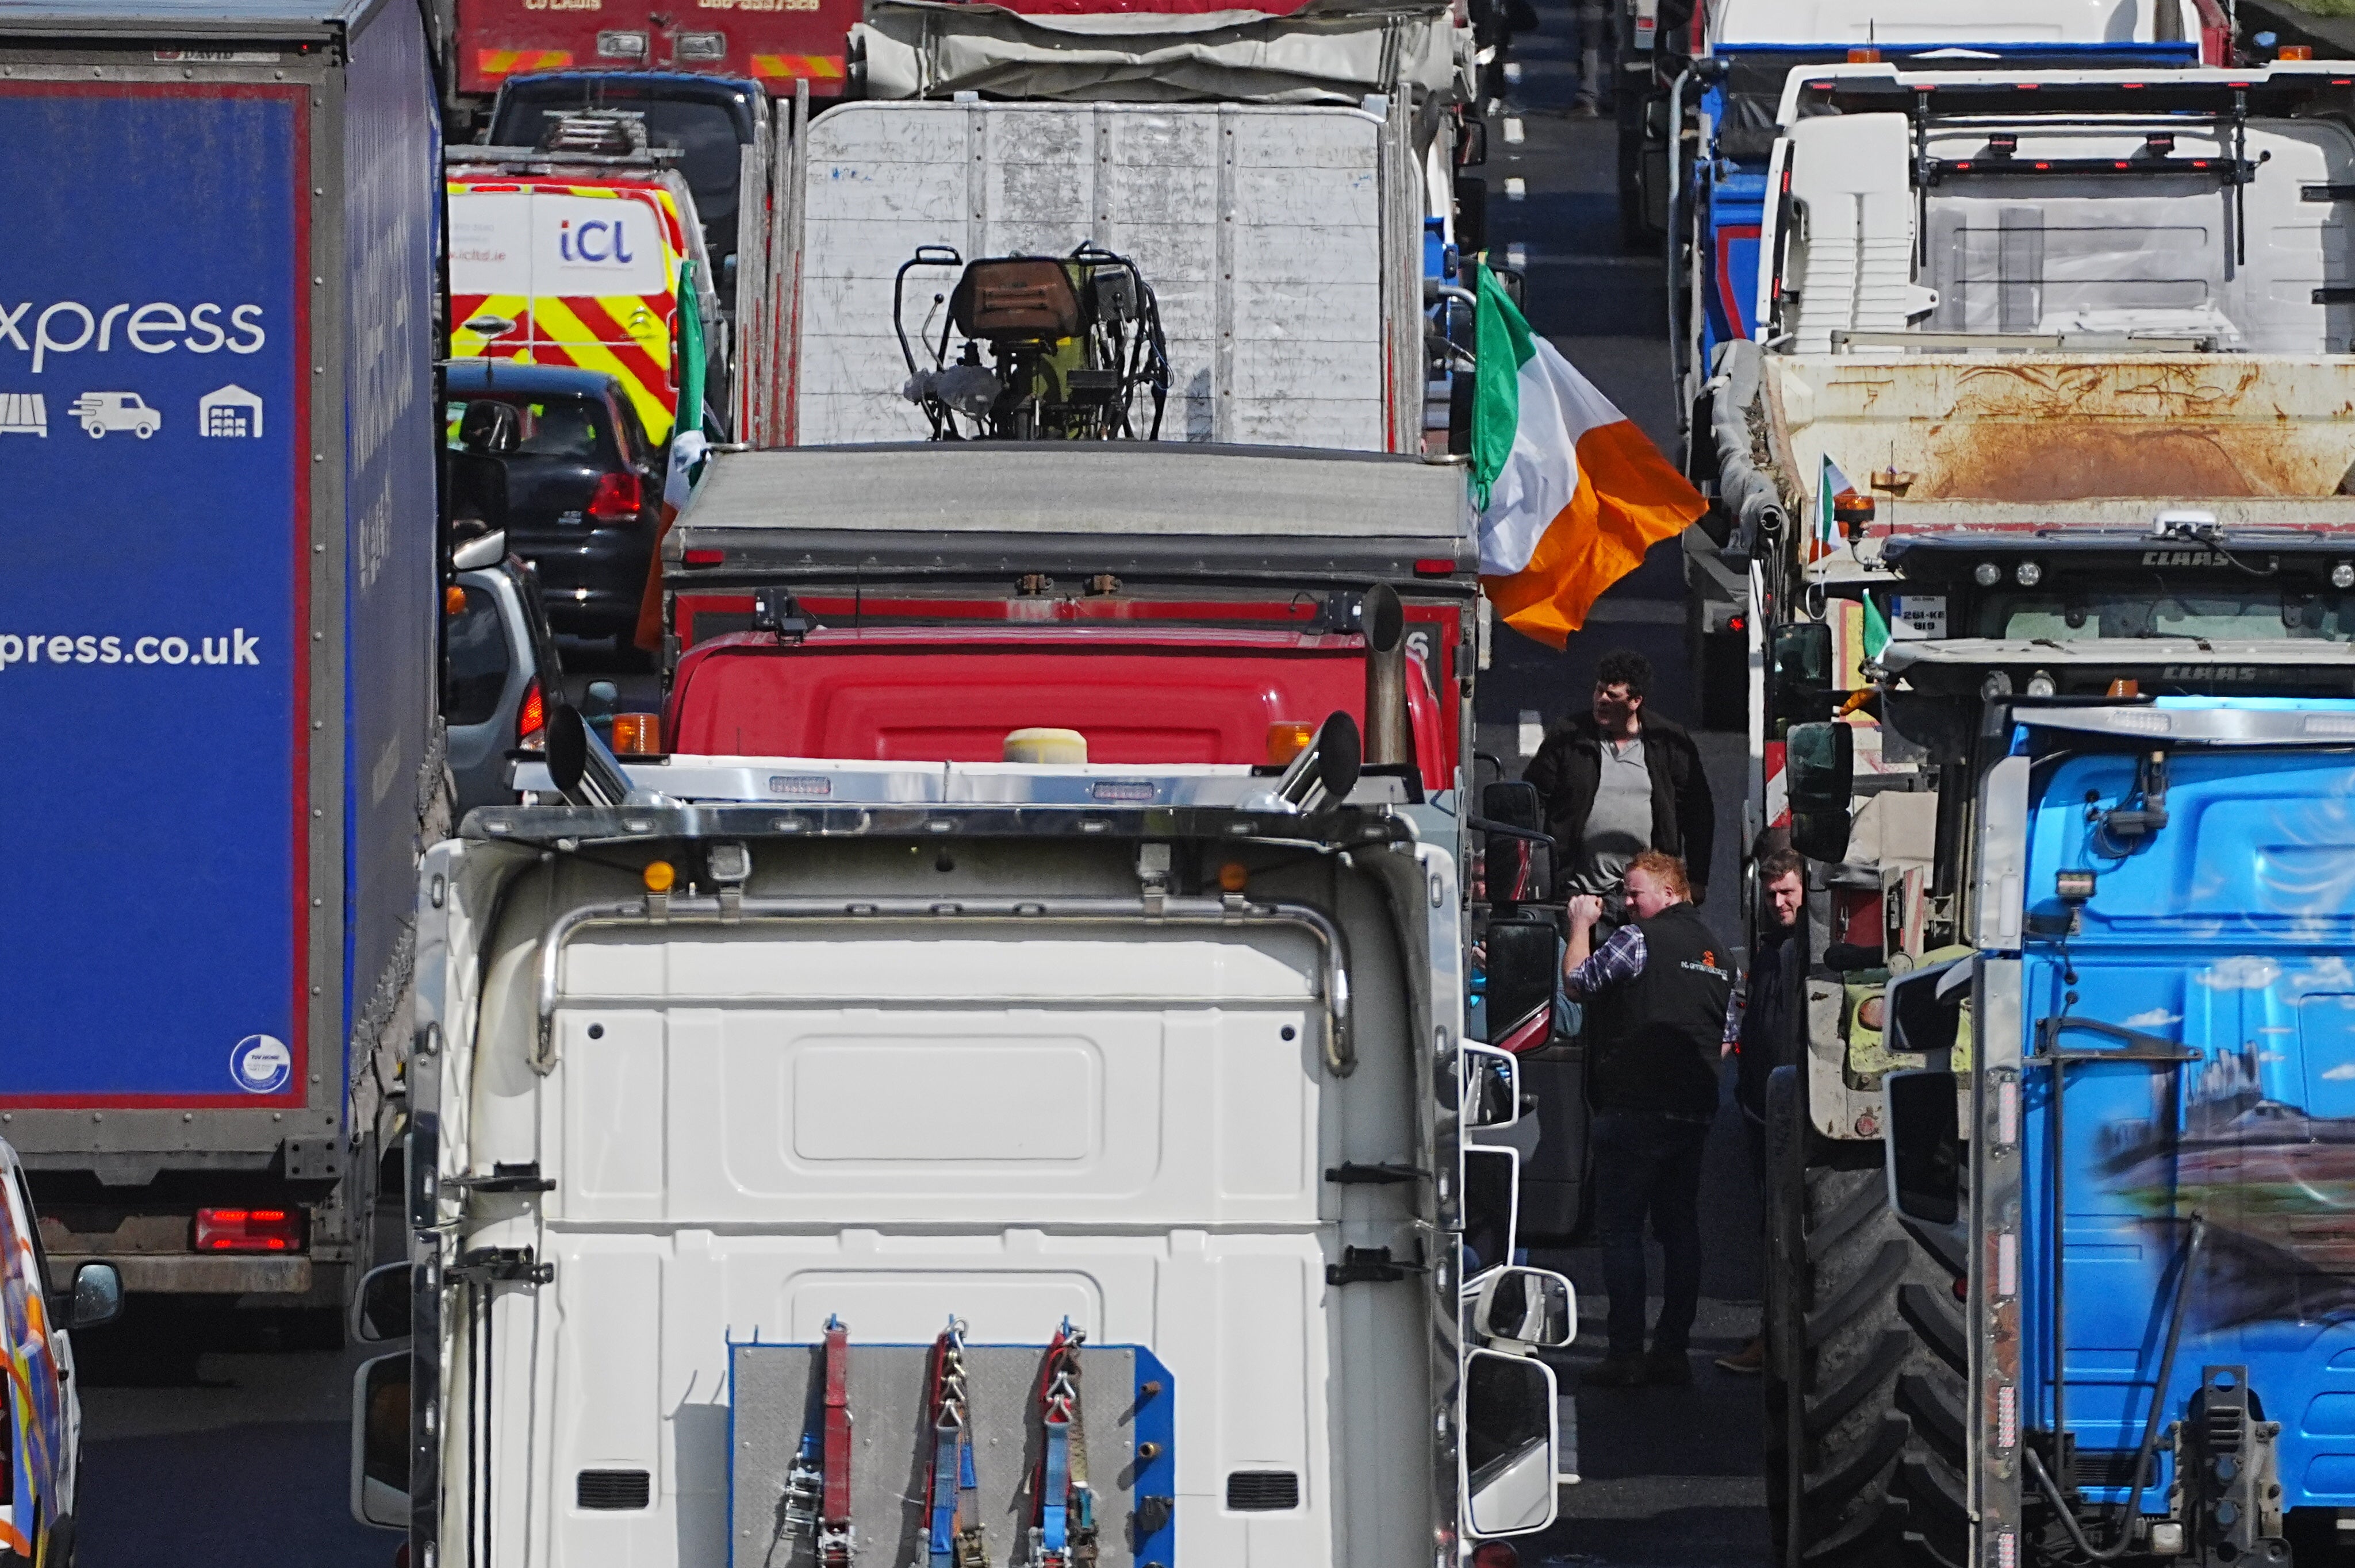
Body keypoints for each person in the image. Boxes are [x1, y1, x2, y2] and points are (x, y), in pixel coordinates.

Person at [1560, 850, 1734, 1388]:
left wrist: (1581, 925)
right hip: (1692, 1113)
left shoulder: (1636, 940)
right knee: (1681, 1231)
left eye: (1636, 894)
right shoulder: (1719, 955)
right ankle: (1673, 1351)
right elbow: (1725, 1041)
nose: (1628, 904)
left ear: (1671, 892)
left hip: (1633, 1108)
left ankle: (1625, 1354)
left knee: (1621, 1234)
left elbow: (1579, 983)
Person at [1522, 649, 1715, 912]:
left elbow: (1698, 812)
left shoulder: (1668, 741)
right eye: (1599, 691)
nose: (1601, 700)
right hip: (1579, 894)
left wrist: (1697, 879)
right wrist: (1526, 866)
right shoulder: (1568, 737)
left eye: (1612, 696)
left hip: (1648, 899)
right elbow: (1530, 797)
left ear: (1635, 701)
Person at [1713, 848, 1808, 1375]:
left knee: (1783, 1232)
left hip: (1788, 1111)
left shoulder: (1803, 953)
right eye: (1772, 895)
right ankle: (1773, 1335)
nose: (1779, 903)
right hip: (1760, 1107)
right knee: (1770, 1229)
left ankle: (1777, 1341)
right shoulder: (1773, 950)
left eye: (1788, 892)